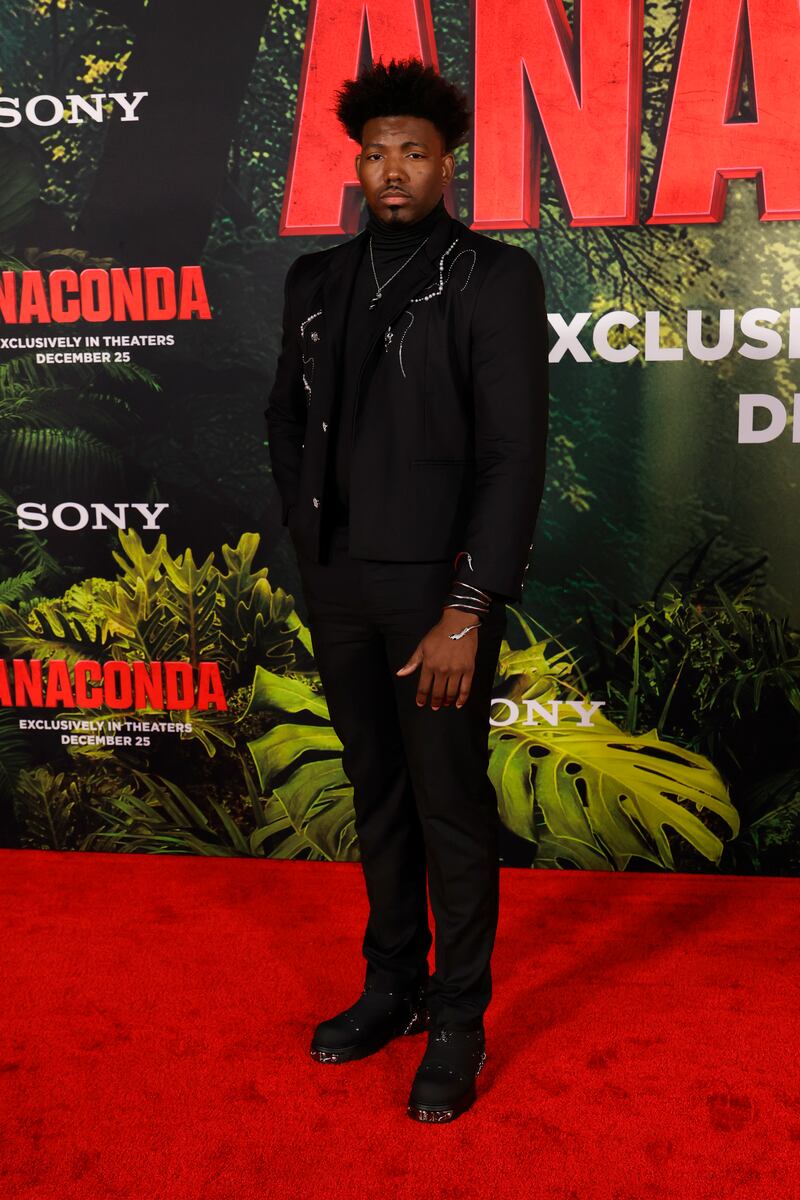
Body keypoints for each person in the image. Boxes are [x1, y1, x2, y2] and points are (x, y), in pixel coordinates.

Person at [265, 56, 549, 1123]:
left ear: (446, 165)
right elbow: (283, 419)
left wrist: (467, 610)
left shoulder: (493, 278)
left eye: (414, 153)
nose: (392, 170)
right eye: (376, 153)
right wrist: (310, 540)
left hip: (437, 596)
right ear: (357, 165)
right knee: (375, 792)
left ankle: (458, 1018)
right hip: (339, 584)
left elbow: (512, 457)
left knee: (448, 805)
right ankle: (391, 986)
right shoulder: (315, 280)